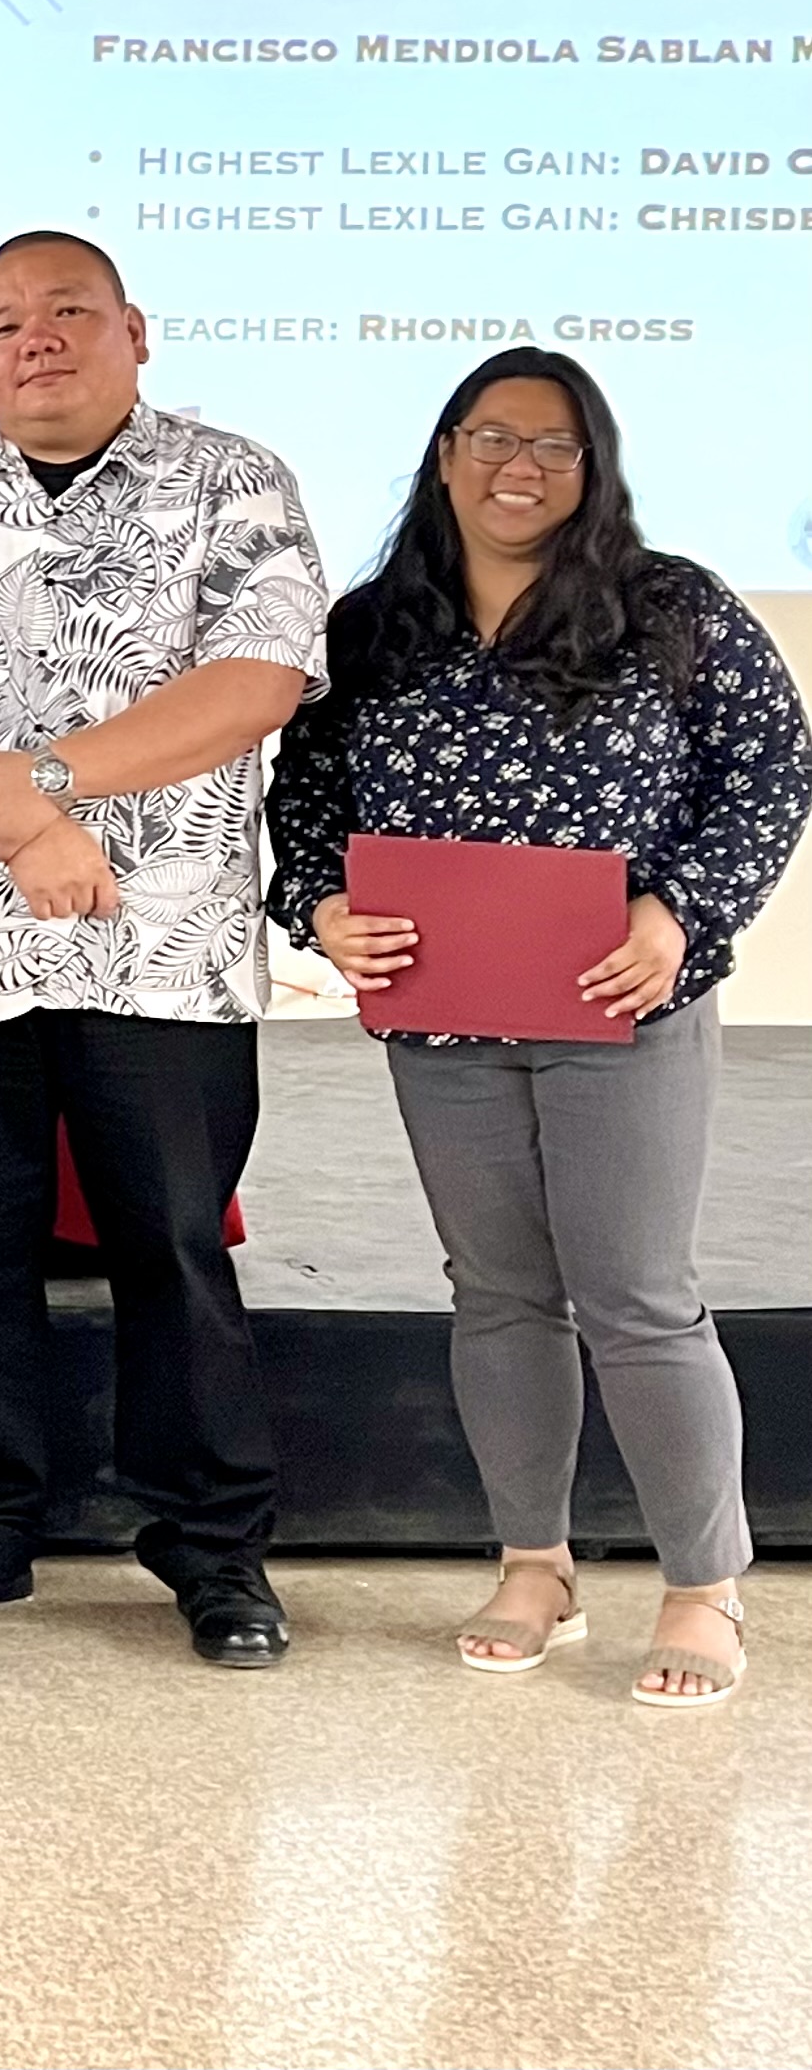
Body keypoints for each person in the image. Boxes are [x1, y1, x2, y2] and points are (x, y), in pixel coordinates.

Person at [0, 230, 329, 1668]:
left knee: (171, 1243)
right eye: (1, 325)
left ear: (136, 329)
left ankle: (213, 1547)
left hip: (159, 945)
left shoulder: (235, 481)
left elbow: (256, 681)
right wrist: (30, 832)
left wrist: (42, 784)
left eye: (66, 312)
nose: (34, 340)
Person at [270, 349, 808, 1707]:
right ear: (444, 452)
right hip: (442, 1015)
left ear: (595, 465)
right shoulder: (367, 624)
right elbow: (306, 800)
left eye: (556, 445)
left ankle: (702, 1585)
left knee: (636, 1292)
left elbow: (769, 767)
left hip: (622, 1002)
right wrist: (320, 907)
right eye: (493, 436)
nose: (522, 465)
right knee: (498, 1289)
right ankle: (535, 1563)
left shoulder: (670, 605)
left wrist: (680, 913)